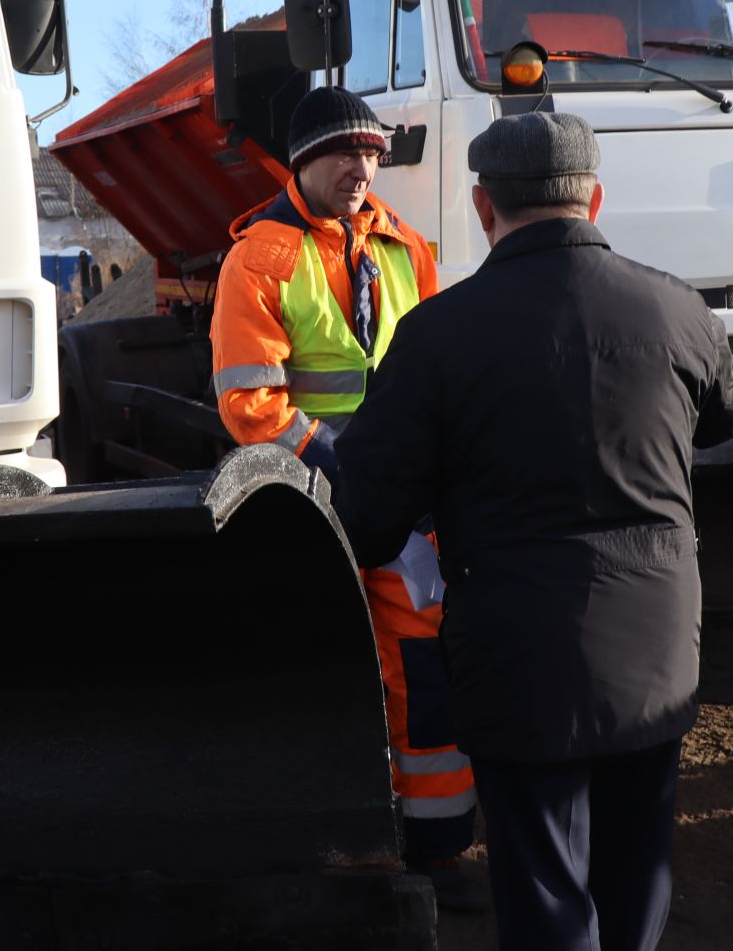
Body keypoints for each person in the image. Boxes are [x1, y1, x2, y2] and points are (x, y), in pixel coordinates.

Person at [333, 112, 733, 951]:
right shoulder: (676, 307)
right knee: (639, 865)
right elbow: (731, 417)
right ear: (594, 199)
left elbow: (370, 513)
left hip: (514, 650)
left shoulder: (435, 336)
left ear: (484, 208)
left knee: (542, 880)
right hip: (655, 644)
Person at [209, 84, 480, 906]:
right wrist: (342, 459)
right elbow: (249, 401)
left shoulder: (409, 248)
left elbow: (438, 368)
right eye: (343, 153)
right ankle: (325, 844)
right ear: (302, 162)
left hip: (400, 499)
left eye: (371, 152)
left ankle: (436, 851)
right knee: (321, 667)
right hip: (308, 499)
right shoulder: (258, 256)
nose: (362, 167)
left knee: (422, 663)